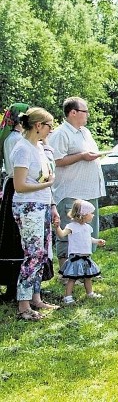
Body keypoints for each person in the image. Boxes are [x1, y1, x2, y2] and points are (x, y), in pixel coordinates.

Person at [12, 107, 60, 321]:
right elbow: (20, 186)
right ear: (38, 126)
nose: (51, 130)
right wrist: (47, 184)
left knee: (43, 253)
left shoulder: (40, 147)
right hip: (28, 206)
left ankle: (36, 298)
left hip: (42, 205)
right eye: (49, 125)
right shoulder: (22, 148)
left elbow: (45, 179)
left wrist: (52, 205)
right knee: (33, 254)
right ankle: (23, 305)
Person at [48, 97, 105, 274]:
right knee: (70, 230)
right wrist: (81, 156)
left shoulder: (85, 132)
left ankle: (85, 269)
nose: (87, 114)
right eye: (85, 111)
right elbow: (56, 160)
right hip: (70, 191)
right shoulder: (61, 133)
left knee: (87, 230)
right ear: (73, 112)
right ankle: (66, 272)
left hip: (88, 191)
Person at [0, 103, 29, 301]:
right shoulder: (15, 139)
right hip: (15, 186)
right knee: (13, 236)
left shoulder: (16, 138)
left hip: (14, 185)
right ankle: (12, 285)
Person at [54, 199, 106, 304]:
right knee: (72, 278)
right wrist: (57, 227)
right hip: (75, 257)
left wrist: (96, 241)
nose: (93, 215)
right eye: (91, 213)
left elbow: (88, 238)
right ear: (83, 215)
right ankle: (68, 297)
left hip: (86, 257)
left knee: (88, 277)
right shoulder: (71, 227)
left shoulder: (87, 227)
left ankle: (90, 293)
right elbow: (62, 234)